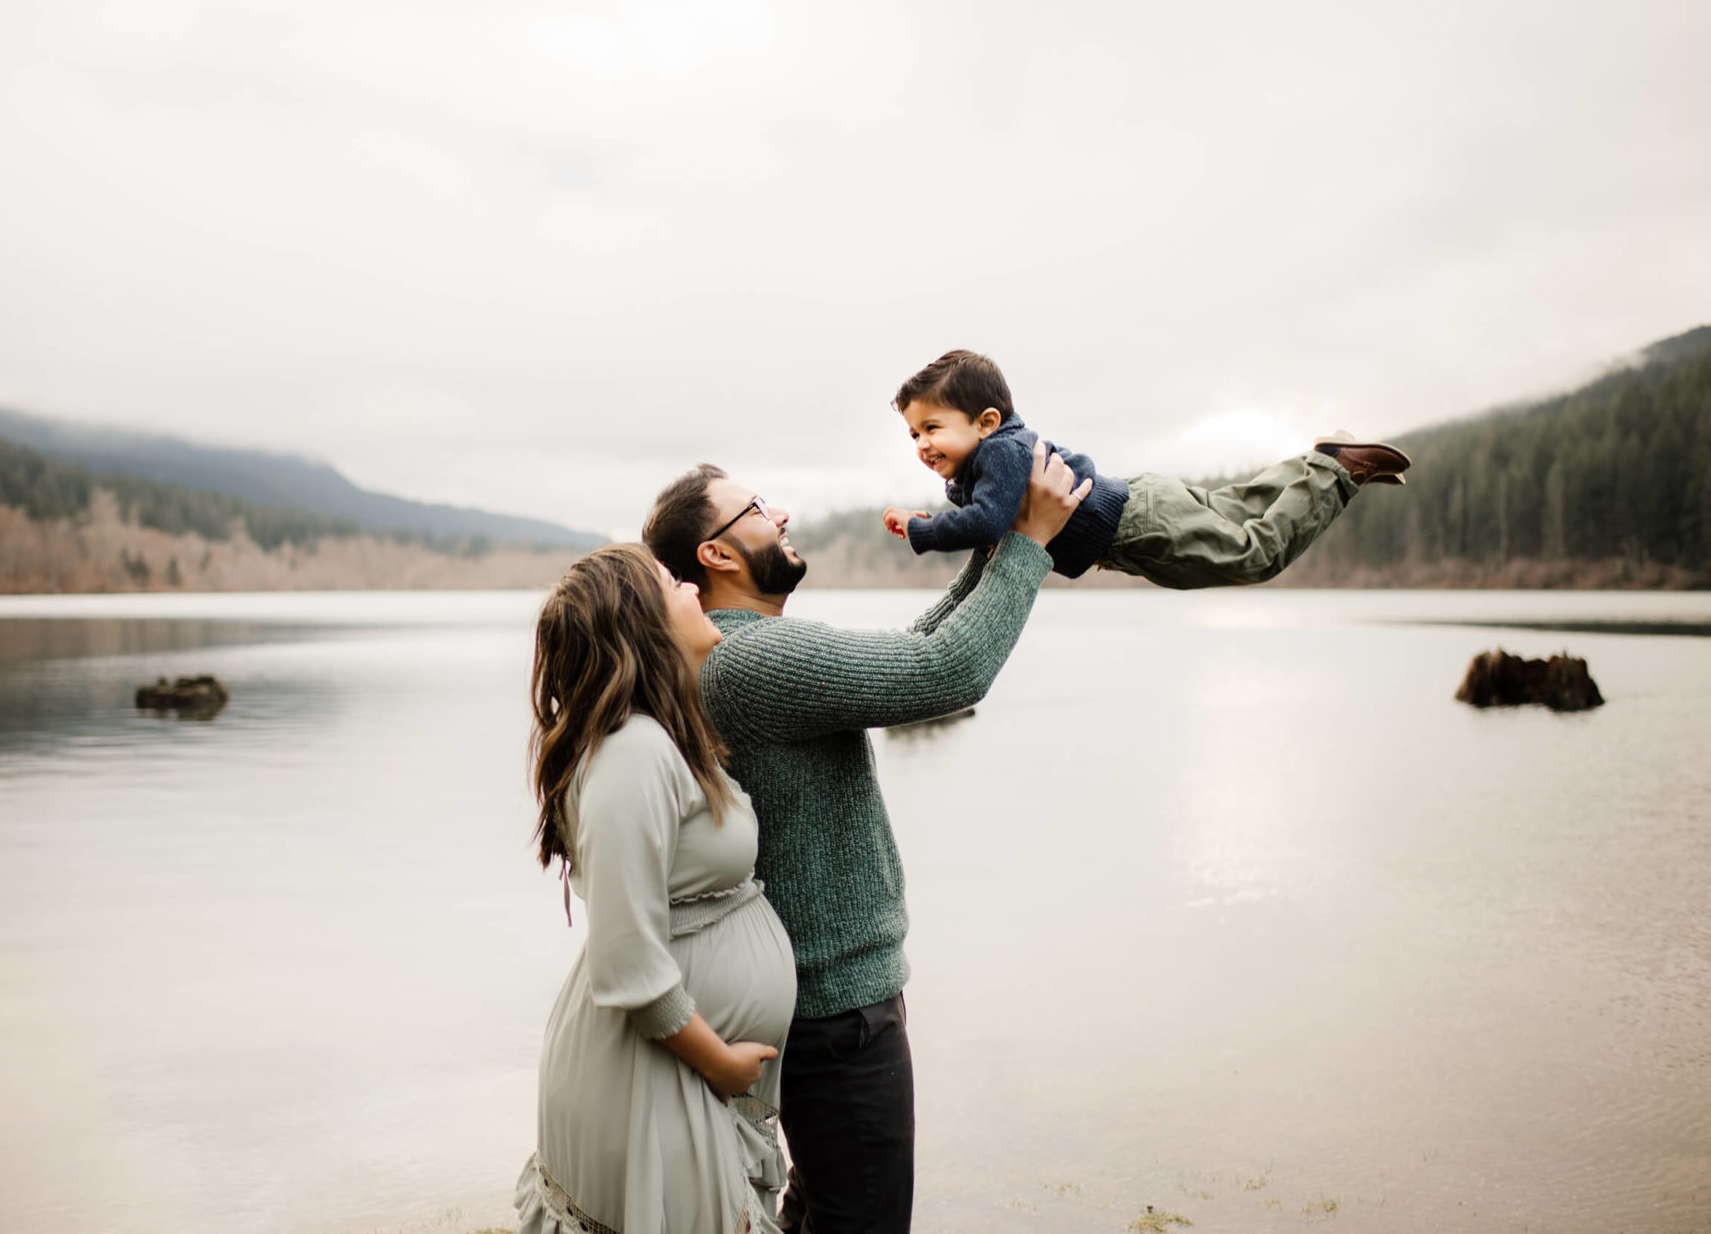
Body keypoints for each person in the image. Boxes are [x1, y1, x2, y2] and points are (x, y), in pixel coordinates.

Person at [641, 448, 1085, 1234]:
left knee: (818, 1208)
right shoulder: (750, 656)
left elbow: (913, 651)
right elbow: (946, 673)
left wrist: (989, 551)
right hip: (835, 1011)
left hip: (807, 1002)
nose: (780, 516)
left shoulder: (737, 651)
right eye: (758, 510)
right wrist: (1030, 547)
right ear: (715, 554)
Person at [514, 543, 798, 1234]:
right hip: (656, 1070)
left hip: (675, 1066)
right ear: (640, 622)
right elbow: (627, 961)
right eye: (673, 582)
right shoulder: (634, 752)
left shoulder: (662, 740)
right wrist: (724, 1064)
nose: (693, 588)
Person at [882, 349, 1411, 586]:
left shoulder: (1000, 450)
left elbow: (986, 521)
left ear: (986, 421)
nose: (922, 444)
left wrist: (923, 529)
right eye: (913, 434)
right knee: (1240, 507)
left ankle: (1337, 469)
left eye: (932, 429)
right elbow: (988, 510)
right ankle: (1320, 459)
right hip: (1137, 503)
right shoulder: (994, 454)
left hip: (1137, 528)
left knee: (1255, 556)